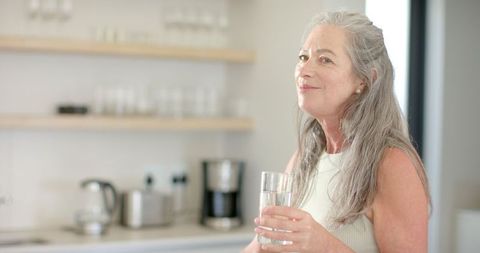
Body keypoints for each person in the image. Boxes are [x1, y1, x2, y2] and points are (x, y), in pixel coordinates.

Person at [242, 11, 430, 253]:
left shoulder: (391, 165)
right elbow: (261, 246)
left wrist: (325, 245)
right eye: (303, 57)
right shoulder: (305, 158)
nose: (304, 70)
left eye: (325, 60)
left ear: (364, 80)